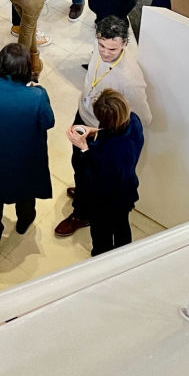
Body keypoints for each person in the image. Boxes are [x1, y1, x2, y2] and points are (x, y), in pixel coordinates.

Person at [55, 15, 151, 238]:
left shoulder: (130, 80)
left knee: (92, 173)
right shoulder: (98, 49)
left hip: (100, 133)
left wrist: (99, 131)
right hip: (84, 117)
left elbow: (142, 117)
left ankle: (82, 213)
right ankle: (83, 195)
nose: (105, 53)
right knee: (79, 166)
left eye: (112, 49)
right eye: (101, 45)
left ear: (125, 44)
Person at [0, 44, 54, 255]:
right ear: (26, 69)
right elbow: (48, 122)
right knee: (26, 190)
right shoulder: (37, 96)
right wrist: (39, 89)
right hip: (25, 155)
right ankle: (24, 221)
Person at [69, 89, 145, 255]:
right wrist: (94, 131)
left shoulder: (107, 150)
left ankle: (101, 260)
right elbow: (115, 133)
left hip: (104, 201)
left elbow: (96, 175)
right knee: (121, 225)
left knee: (101, 234)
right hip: (127, 189)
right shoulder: (134, 121)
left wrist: (83, 147)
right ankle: (124, 255)